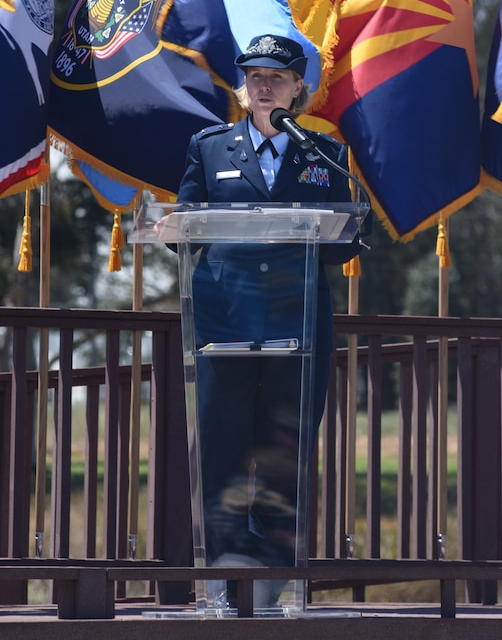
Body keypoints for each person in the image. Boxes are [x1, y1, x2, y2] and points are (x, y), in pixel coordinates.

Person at [172, 33, 363, 609]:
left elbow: (347, 238)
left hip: (297, 325)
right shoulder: (209, 148)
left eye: (275, 77)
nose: (262, 84)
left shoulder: (322, 151)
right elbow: (183, 231)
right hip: (224, 324)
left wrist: (316, 230)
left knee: (285, 457)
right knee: (223, 458)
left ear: (298, 86)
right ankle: (226, 589)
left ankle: (275, 589)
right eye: (253, 75)